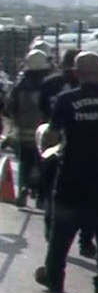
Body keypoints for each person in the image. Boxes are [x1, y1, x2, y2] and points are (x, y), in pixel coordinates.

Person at [33, 52, 98, 293]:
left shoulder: (66, 100)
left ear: (76, 73)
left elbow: (52, 136)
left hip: (72, 177)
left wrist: (47, 144)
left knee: (61, 234)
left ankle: (54, 278)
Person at [37, 49, 94, 255]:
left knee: (54, 196)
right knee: (86, 198)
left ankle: (52, 234)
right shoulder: (89, 89)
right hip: (81, 147)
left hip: (54, 144)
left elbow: (42, 110)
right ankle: (85, 241)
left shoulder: (50, 84)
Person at [6, 49, 53, 208]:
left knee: (24, 161)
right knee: (44, 162)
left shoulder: (20, 83)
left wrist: (16, 119)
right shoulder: (49, 83)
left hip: (23, 130)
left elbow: (10, 105)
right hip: (44, 131)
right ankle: (41, 196)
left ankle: (23, 189)